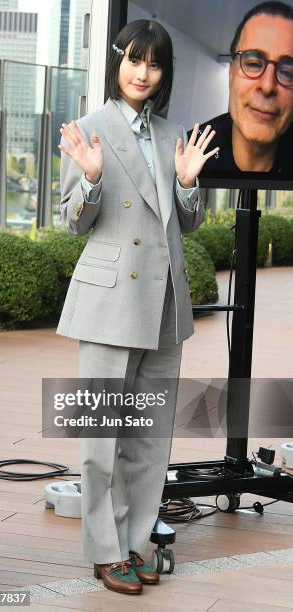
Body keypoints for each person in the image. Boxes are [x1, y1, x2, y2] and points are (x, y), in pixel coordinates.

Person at [56, 19, 218, 596]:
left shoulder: (175, 133)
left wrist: (190, 185)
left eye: (154, 65)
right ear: (117, 60)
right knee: (102, 436)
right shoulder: (89, 130)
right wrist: (93, 181)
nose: (142, 74)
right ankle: (103, 551)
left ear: (164, 73)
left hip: (164, 304)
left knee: (149, 438)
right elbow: (72, 221)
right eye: (134, 60)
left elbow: (190, 223)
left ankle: (134, 543)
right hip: (108, 303)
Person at [192, 0, 293, 179]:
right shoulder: (190, 151)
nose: (268, 86)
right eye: (253, 64)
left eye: (287, 72)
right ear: (231, 75)